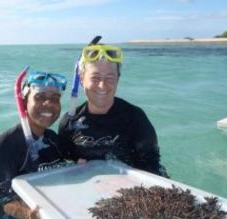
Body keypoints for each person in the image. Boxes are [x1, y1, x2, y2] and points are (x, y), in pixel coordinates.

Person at [58, 42, 169, 177]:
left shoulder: (135, 118)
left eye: (110, 78)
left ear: (118, 79)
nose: (102, 85)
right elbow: (62, 166)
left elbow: (153, 166)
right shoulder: (69, 123)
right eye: (95, 77)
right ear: (82, 79)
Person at [0, 71, 67, 219]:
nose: (48, 104)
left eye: (55, 99)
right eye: (39, 97)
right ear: (24, 101)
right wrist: (30, 214)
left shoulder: (53, 139)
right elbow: (5, 202)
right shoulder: (3, 147)